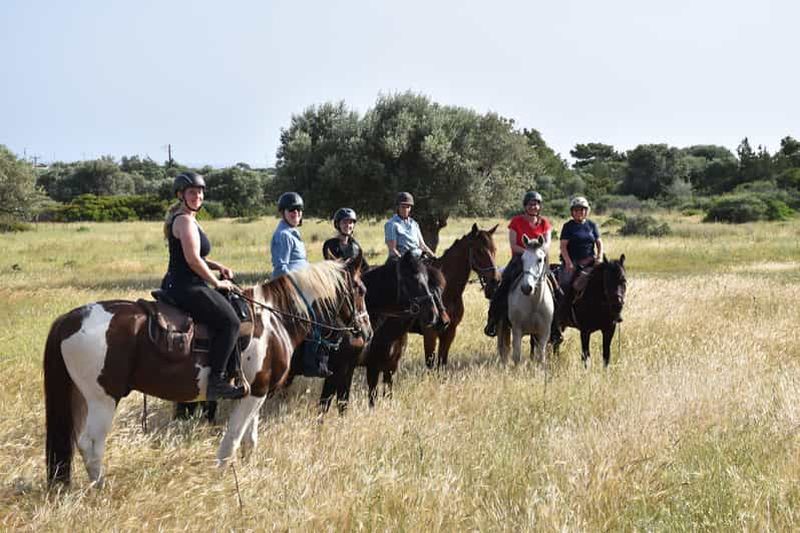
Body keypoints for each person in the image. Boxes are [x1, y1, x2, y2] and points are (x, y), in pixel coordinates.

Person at [161, 172, 246, 400]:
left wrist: (218, 266)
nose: (197, 195)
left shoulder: (187, 218)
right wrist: (217, 282)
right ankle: (217, 380)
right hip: (185, 286)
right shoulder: (184, 221)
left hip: (184, 282)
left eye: (200, 192)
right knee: (231, 322)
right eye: (192, 192)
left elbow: (195, 255)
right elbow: (192, 260)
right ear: (181, 195)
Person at [484, 191, 553, 338]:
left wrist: (536, 254)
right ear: (525, 206)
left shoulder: (545, 223)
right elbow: (514, 245)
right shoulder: (516, 222)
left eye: (536, 204)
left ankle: (555, 327)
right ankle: (494, 320)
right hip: (519, 261)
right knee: (502, 288)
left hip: (539, 262)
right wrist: (528, 253)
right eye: (530, 204)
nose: (533, 207)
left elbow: (547, 245)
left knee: (557, 290)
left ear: (540, 206)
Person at [554, 196, 603, 326]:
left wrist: (599, 257)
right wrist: (568, 262)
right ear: (572, 212)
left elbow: (599, 243)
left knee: (608, 280)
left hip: (590, 261)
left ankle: (609, 313)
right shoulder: (568, 226)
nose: (579, 212)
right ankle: (562, 315)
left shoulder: (592, 225)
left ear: (587, 211)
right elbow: (563, 246)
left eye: (582, 210)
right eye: (576, 210)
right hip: (573, 262)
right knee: (565, 285)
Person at [384, 192, 435, 260]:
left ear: (410, 208)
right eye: (403, 207)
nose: (405, 210)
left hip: (419, 258)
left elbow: (422, 246)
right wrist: (404, 261)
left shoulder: (414, 224)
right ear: (398, 207)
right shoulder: (391, 224)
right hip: (403, 260)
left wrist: (434, 257)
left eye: (408, 207)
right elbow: (392, 250)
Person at [270, 192, 309, 280]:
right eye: (291, 209)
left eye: (299, 209)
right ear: (282, 212)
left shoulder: (293, 233)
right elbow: (280, 269)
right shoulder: (283, 235)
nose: (296, 212)